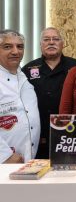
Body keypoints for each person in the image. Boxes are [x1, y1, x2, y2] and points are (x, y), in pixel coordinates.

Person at [22, 27, 76, 158]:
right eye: (46, 39)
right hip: (39, 138)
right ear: (40, 44)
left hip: (70, 135)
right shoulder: (28, 69)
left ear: (62, 44)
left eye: (56, 39)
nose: (51, 42)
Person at [0, 29, 40, 163]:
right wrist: (5, 156)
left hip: (27, 162)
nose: (15, 51)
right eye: (7, 47)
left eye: (20, 47)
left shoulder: (25, 78)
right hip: (6, 162)